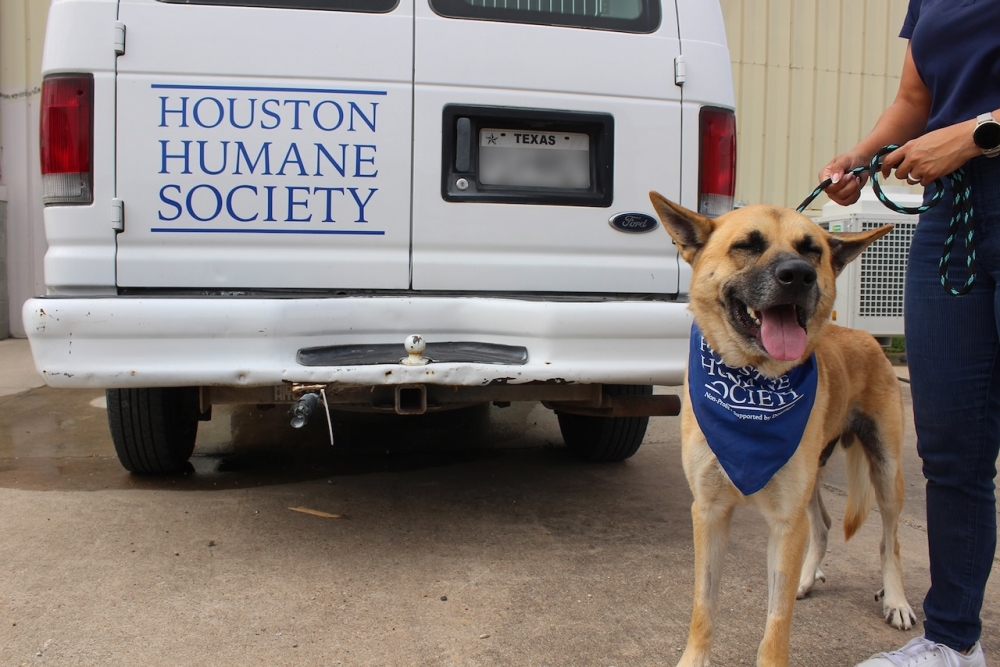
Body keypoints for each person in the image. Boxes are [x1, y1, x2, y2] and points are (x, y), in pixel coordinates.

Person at [818, 1, 1000, 666]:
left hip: (981, 167)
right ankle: (953, 640)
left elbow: (960, 124)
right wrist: (863, 157)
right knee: (951, 451)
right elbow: (916, 96)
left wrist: (979, 133)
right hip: (953, 215)